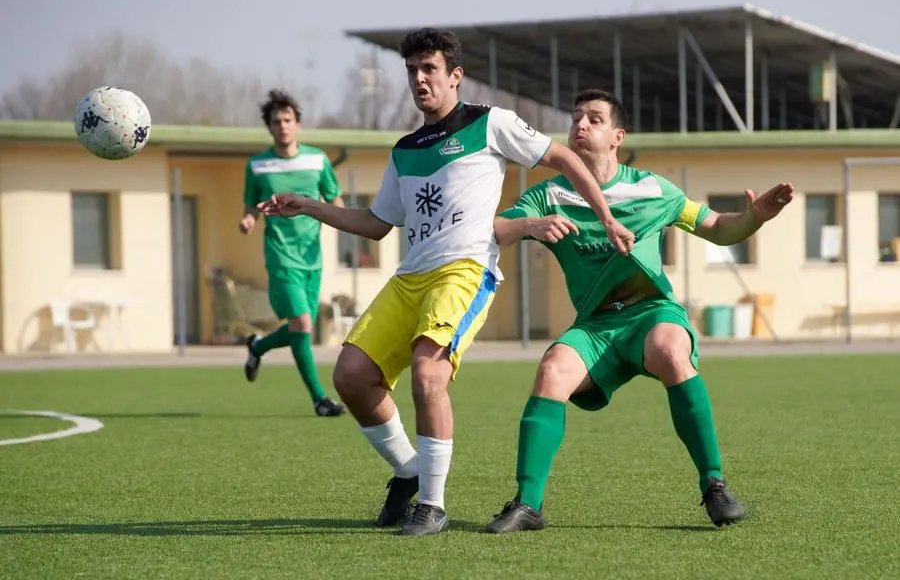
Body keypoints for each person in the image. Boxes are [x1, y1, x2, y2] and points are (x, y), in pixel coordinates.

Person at [256, 28, 635, 536]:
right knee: (350, 374)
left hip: (464, 271)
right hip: (410, 276)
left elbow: (563, 158)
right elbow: (376, 222)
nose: (419, 79)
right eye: (412, 70)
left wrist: (606, 216)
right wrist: (308, 207)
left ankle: (431, 506)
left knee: (427, 374)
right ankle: (409, 471)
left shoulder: (489, 123)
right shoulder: (405, 149)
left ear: (455, 75)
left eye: (429, 68)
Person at [484, 88, 794, 533]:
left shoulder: (652, 188)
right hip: (595, 327)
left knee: (670, 349)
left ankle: (714, 486)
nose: (580, 125)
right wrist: (529, 223)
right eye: (575, 118)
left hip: (651, 314)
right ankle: (527, 505)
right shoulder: (549, 194)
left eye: (594, 118)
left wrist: (755, 218)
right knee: (552, 369)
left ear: (617, 136)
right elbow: (494, 228)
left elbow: (719, 229)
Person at [239, 89, 346, 418]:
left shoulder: (318, 160)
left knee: (303, 328)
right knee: (301, 322)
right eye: (276, 121)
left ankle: (258, 346)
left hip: (312, 257)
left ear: (298, 124)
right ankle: (319, 399)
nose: (282, 125)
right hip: (281, 255)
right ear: (269, 128)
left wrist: (342, 218)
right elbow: (249, 207)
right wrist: (247, 219)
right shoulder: (258, 165)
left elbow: (335, 200)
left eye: (288, 120)